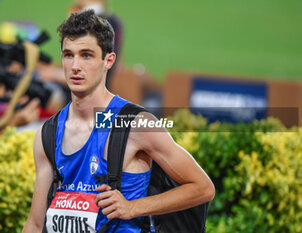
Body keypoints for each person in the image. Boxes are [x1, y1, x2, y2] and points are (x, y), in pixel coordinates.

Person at [22, 10, 215, 233]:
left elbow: (202, 188)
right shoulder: (49, 132)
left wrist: (133, 207)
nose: (75, 66)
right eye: (68, 55)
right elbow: (36, 224)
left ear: (108, 60)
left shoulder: (135, 124)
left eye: (86, 55)